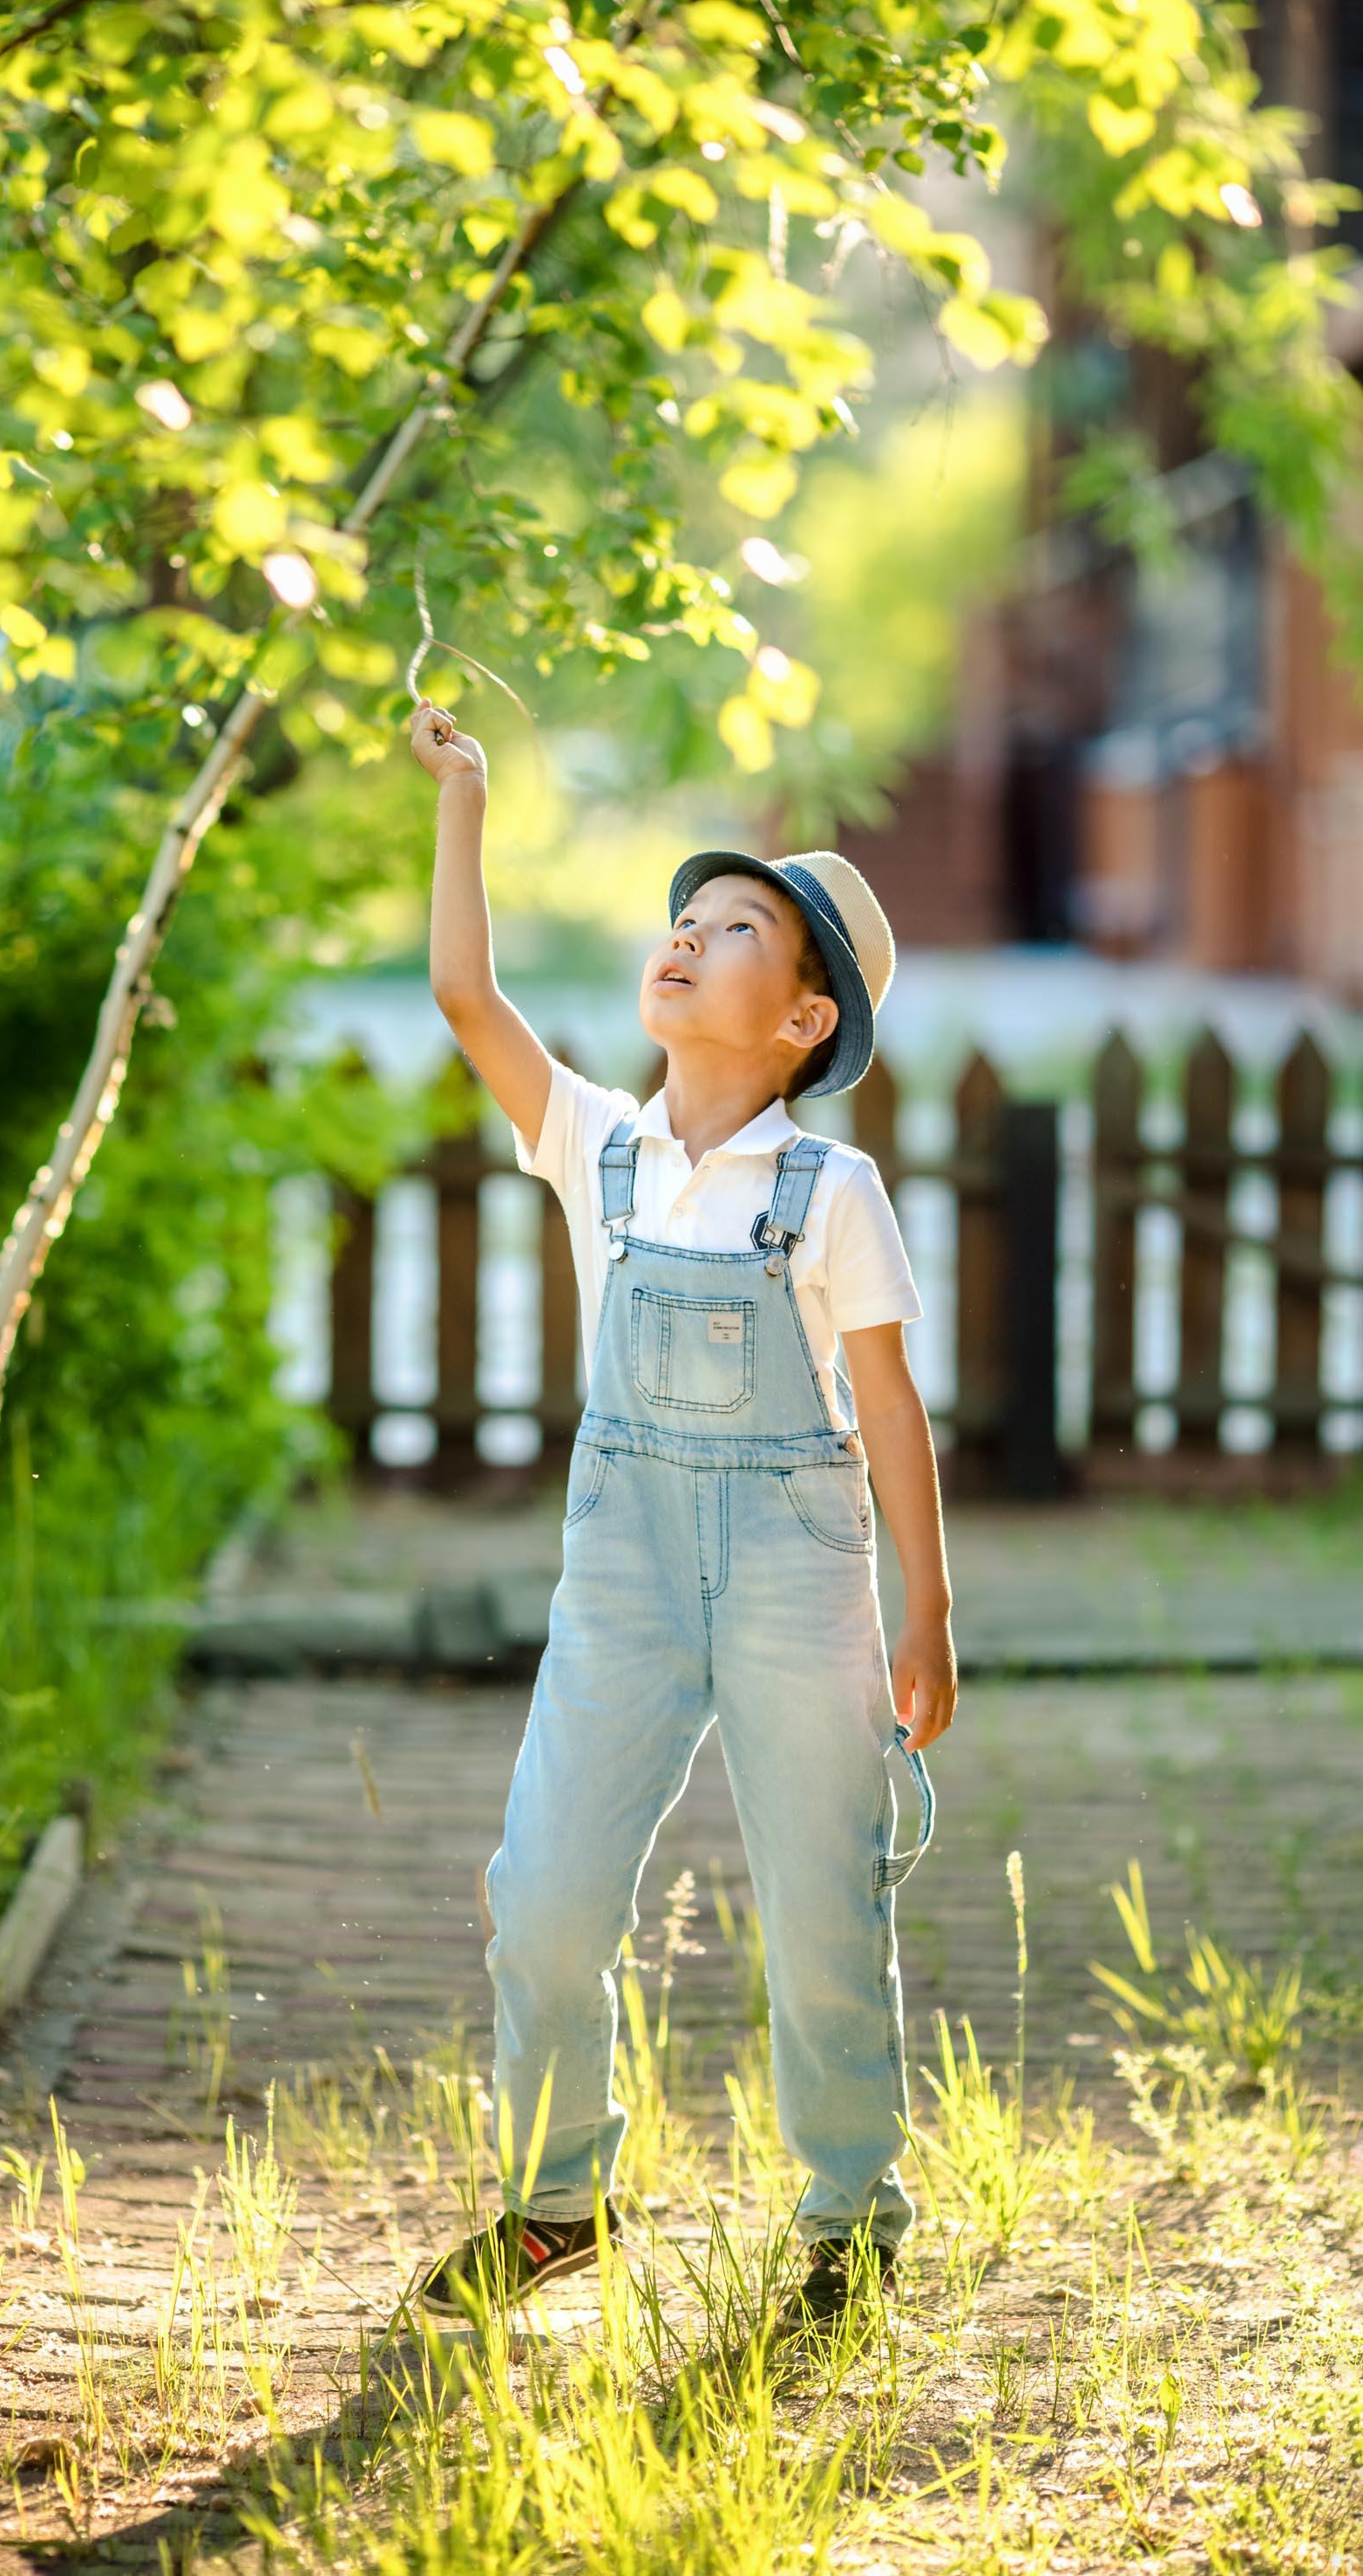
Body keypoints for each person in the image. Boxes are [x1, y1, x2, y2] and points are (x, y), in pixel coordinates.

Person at [405, 695, 958, 2335]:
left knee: (823, 1904)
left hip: (802, 1581)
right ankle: (556, 2204)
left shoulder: (830, 1192)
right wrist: (468, 801)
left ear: (800, 1023)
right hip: (627, 1573)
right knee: (545, 1892)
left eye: (736, 933)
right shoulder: (604, 1149)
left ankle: (851, 2212)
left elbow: (892, 1411)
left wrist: (928, 1612)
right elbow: (462, 991)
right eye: (686, 917)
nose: (687, 938)